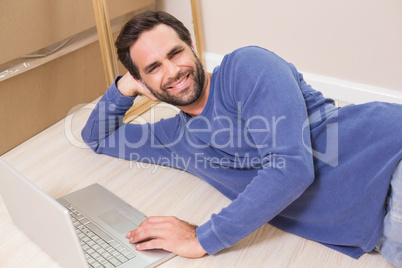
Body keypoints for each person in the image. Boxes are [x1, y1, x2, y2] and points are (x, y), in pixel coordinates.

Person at [82, 10, 402, 266]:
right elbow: (97, 137)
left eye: (175, 53)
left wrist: (201, 238)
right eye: (153, 68)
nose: (173, 70)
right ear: (144, 84)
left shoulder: (245, 67)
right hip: (379, 229)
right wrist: (125, 87)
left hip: (391, 162)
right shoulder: (174, 139)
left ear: (192, 47)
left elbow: (289, 167)